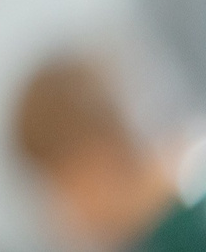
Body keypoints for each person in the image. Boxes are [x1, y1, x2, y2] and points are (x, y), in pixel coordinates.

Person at [13, 46, 206, 252]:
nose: (56, 215)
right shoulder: (153, 233)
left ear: (92, 160)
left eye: (56, 186)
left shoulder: (188, 229)